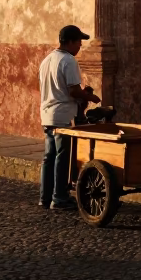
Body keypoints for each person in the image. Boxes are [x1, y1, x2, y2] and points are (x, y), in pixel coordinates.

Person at [38, 25, 99, 210]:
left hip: (47, 114)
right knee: (62, 157)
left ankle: (45, 197)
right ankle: (60, 198)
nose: (80, 46)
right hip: (62, 115)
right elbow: (73, 90)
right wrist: (90, 97)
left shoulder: (47, 60)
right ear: (70, 42)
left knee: (49, 157)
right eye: (79, 42)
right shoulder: (68, 61)